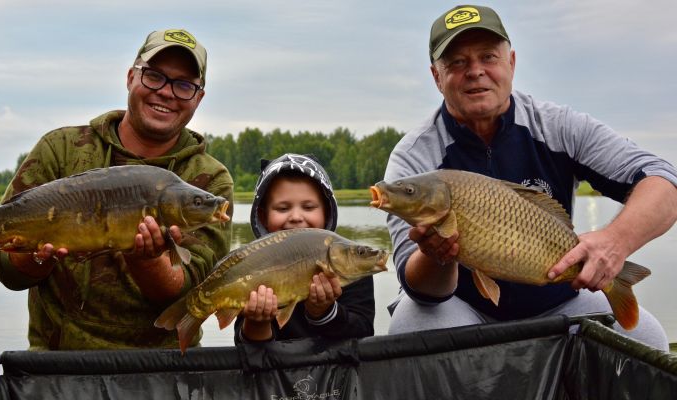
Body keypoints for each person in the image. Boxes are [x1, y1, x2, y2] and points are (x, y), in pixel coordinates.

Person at [384, 5, 677, 350]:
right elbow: (419, 288)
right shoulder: (414, 159)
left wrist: (615, 241)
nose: (475, 72)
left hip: (560, 297)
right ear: (437, 76)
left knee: (645, 337)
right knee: (409, 324)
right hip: (462, 308)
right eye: (458, 62)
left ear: (512, 63)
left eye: (488, 57)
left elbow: (664, 182)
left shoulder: (559, 126)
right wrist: (435, 255)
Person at [0, 29, 234, 350]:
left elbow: (194, 296)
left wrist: (147, 262)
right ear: (131, 77)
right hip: (57, 362)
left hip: (161, 368)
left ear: (198, 98)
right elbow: (7, 271)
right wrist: (37, 256)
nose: (166, 92)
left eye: (184, 85)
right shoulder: (61, 151)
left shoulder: (209, 181)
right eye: (154, 76)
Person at [233, 153, 376, 343]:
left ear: (327, 211)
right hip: (271, 370)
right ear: (262, 216)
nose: (296, 217)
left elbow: (363, 333)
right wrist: (257, 323)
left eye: (308, 207)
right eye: (283, 208)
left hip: (339, 370)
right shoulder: (254, 264)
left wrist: (324, 312)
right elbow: (247, 351)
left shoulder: (350, 262)